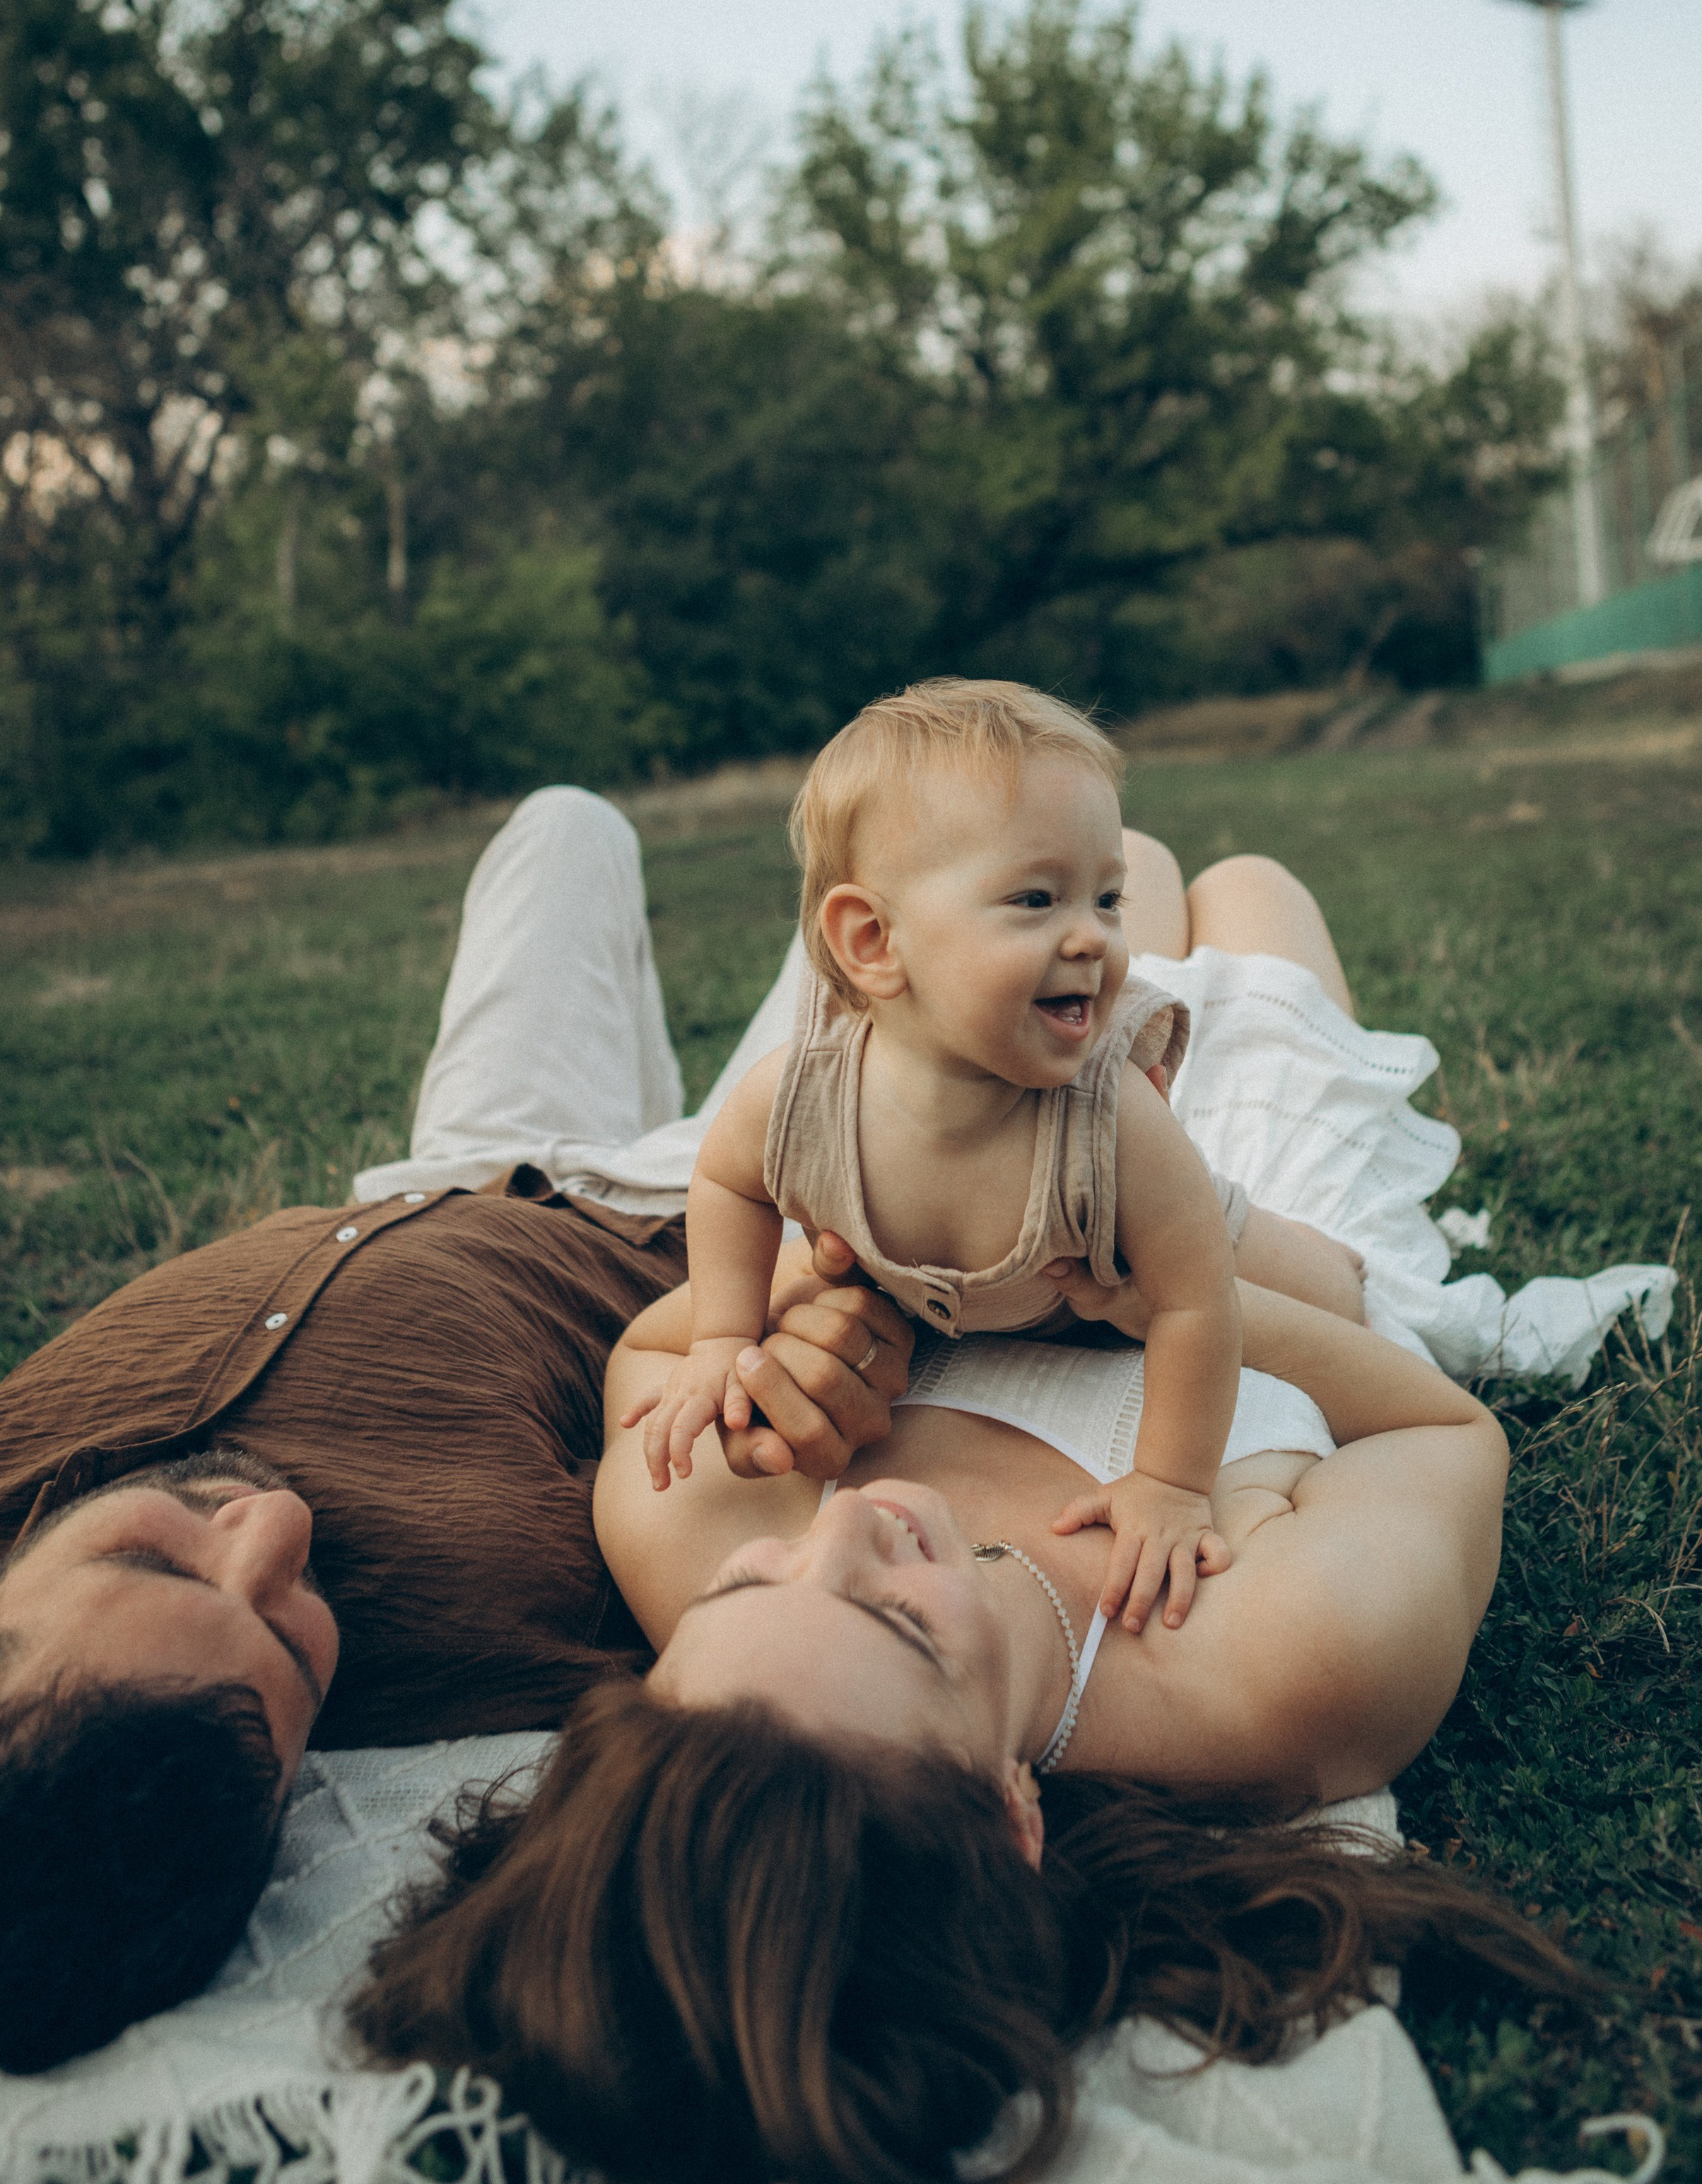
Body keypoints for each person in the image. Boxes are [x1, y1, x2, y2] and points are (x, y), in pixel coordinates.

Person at [351, 819, 1571, 2184]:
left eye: (760, 1588)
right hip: (1262, 1232)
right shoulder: (1290, 1664)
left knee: (1118, 867)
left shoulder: (704, 1534)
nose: (848, 1532)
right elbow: (1442, 1427)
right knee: (1250, 891)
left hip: (985, 1171)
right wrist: (1185, 1291)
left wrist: (810, 1320)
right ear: (1010, 1814)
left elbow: (658, 1355)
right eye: (908, 1626)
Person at [0, 788, 910, 2073]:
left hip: (455, 1164)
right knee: (914, 864)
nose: (275, 1532)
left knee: (566, 825)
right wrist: (835, 1341)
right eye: (289, 1643)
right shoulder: (490, 1640)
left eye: (147, 1557)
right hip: (704, 1207)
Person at [635, 680, 1364, 1635]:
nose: (1095, 936)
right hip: (1008, 1276)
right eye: (1036, 898)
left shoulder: (1114, 1127)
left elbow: (1196, 1303)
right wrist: (724, 1336)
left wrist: (1170, 1482)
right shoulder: (802, 1096)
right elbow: (730, 1184)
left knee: (1344, 1301)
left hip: (1133, 1235)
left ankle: (1333, 1251)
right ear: (872, 942)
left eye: (1107, 899)